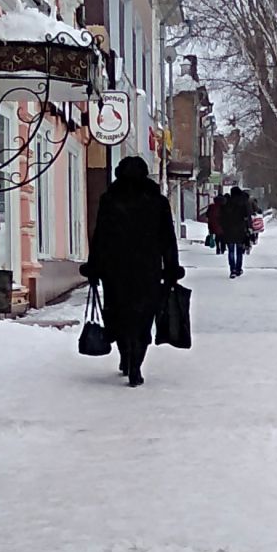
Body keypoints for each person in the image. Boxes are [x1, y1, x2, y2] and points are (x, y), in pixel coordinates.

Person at [83, 155, 181, 386]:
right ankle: (136, 364)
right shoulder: (157, 201)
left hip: (115, 270)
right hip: (147, 270)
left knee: (118, 314)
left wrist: (94, 266)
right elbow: (168, 238)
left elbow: (100, 237)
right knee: (143, 317)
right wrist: (171, 268)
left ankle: (125, 356)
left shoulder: (110, 199)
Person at [216, 182, 255, 279]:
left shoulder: (227, 203)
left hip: (229, 231)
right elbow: (248, 216)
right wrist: (249, 228)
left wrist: (223, 228)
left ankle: (232, 269)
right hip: (240, 231)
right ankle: (238, 269)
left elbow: (222, 217)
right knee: (239, 251)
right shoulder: (244, 203)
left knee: (231, 251)